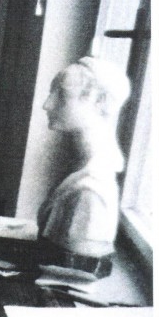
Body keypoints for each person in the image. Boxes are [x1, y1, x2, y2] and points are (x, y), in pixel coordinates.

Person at [37, 56, 130, 260]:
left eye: (62, 95)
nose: (47, 104)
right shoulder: (81, 170)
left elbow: (73, 263)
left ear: (99, 101)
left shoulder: (91, 190)